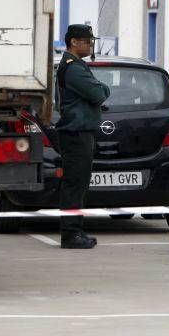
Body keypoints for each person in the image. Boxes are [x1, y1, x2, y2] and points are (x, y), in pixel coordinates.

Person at [55, 24, 111, 249]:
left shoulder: (76, 65)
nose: (90, 45)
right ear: (74, 42)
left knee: (78, 183)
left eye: (92, 41)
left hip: (80, 132)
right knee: (75, 184)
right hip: (76, 133)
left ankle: (75, 230)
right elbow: (98, 93)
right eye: (87, 41)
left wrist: (100, 89)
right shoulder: (74, 67)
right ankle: (71, 233)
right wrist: (102, 89)